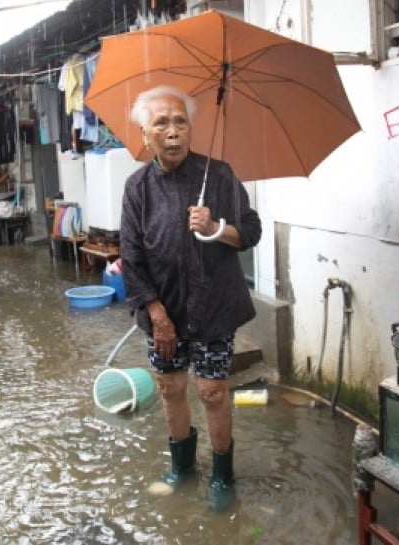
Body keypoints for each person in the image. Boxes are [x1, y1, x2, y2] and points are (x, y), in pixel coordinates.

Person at [119, 85, 261, 511]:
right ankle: (182, 468)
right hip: (163, 309)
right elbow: (130, 256)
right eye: (161, 123)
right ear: (146, 134)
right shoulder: (137, 186)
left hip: (214, 305)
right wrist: (156, 315)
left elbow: (250, 232)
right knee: (169, 387)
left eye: (181, 121)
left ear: (191, 129)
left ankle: (222, 476)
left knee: (213, 391)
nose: (173, 131)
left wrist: (216, 227)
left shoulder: (218, 175)